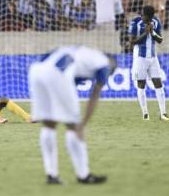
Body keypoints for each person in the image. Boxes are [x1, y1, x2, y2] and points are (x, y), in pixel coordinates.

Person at [28, 45, 117, 184]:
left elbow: (68, 86)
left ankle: (51, 175)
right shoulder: (104, 64)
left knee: (49, 124)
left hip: (36, 70)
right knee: (73, 127)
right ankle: (84, 175)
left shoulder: (86, 55)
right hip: (56, 73)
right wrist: (83, 124)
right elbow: (94, 96)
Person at [129, 5, 168, 121]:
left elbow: (160, 40)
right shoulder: (135, 22)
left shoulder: (156, 22)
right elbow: (132, 41)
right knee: (141, 84)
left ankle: (163, 114)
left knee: (158, 83)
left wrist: (153, 33)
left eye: (149, 17)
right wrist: (145, 33)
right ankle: (145, 114)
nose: (147, 19)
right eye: (145, 16)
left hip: (153, 57)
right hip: (140, 58)